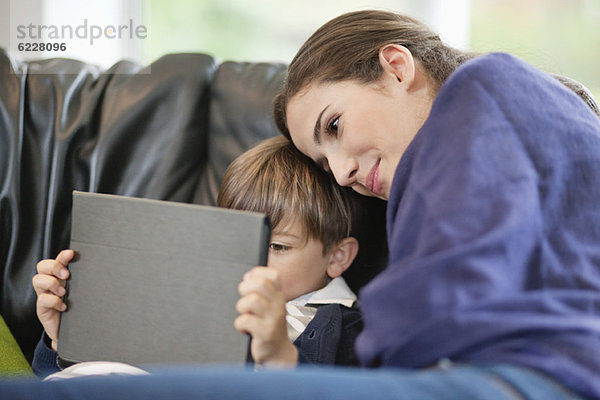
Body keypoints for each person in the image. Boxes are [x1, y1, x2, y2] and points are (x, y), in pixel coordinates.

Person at [3, 9, 599, 400]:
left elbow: (450, 299)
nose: (342, 172)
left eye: (334, 125)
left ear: (396, 67)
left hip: (533, 377)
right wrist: (71, 333)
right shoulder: (433, 172)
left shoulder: (491, 84)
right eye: (322, 161)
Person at [30, 136, 362, 377]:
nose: (252, 260)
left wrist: (279, 354)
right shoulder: (189, 293)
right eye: (239, 238)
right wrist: (66, 338)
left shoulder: (350, 327)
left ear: (337, 256)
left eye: (277, 247)